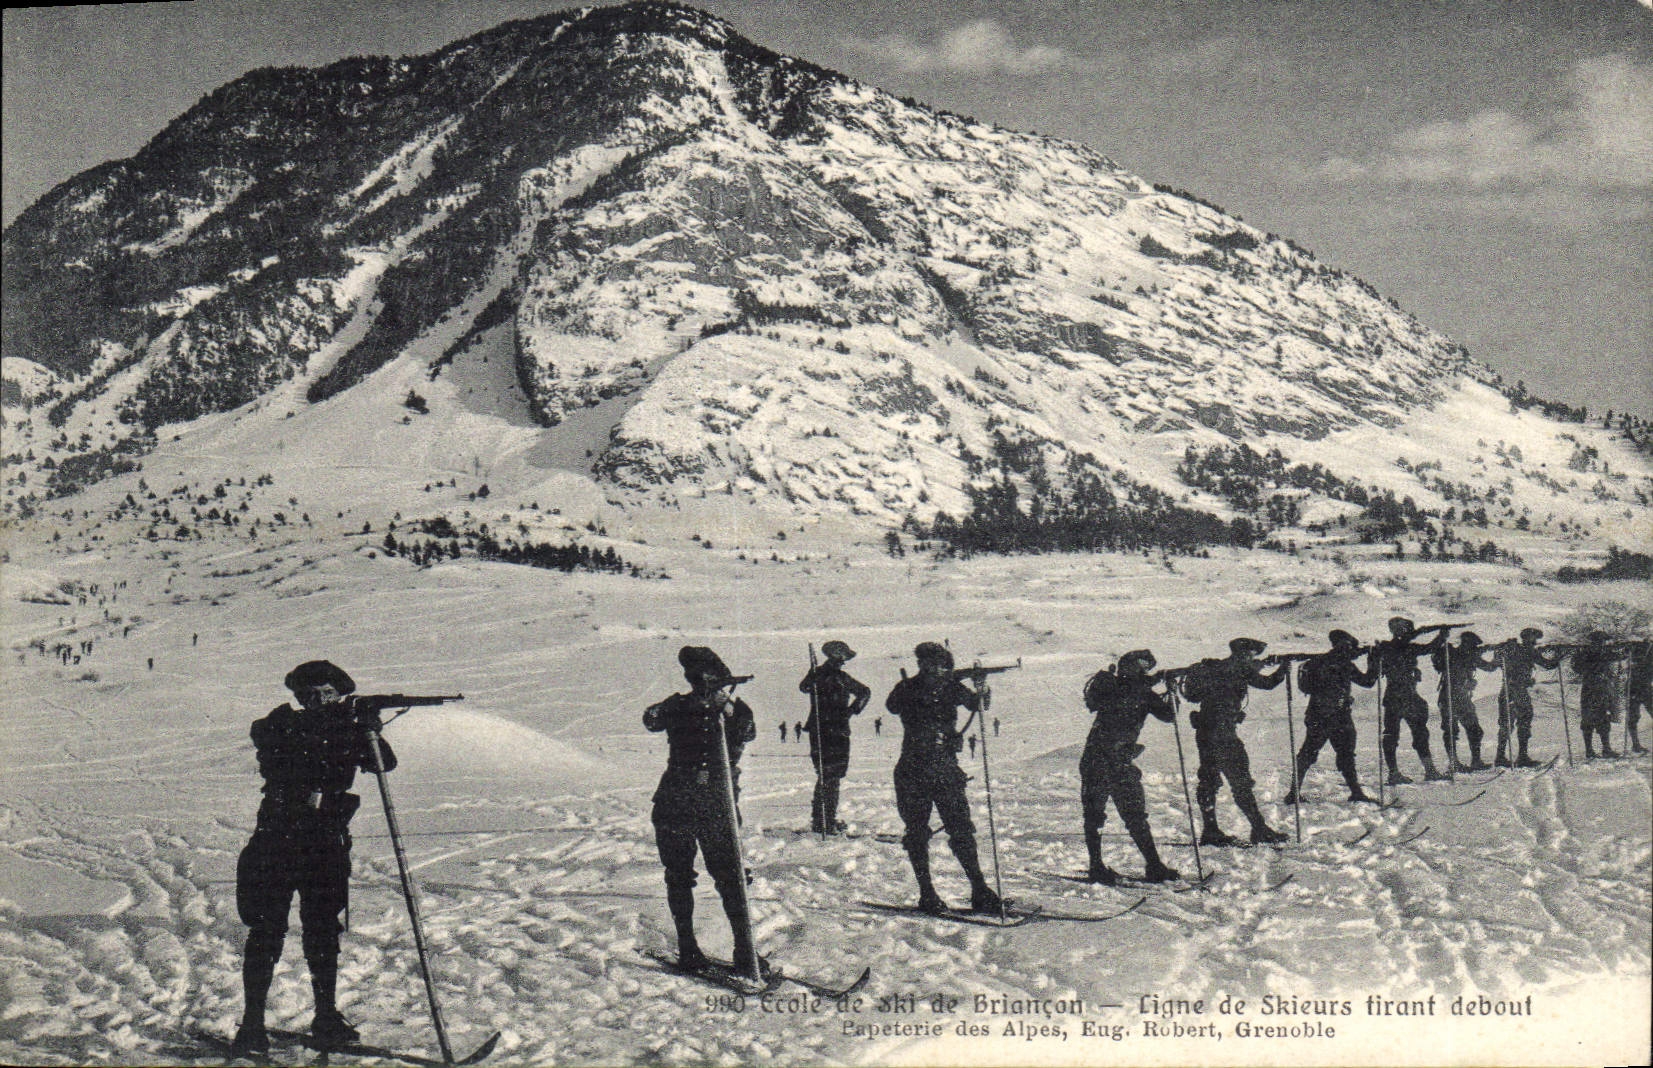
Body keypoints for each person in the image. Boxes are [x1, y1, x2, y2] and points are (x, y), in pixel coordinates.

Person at [233, 661, 395, 1054]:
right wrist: (345, 725)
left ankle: (325, 1016)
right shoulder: (279, 725)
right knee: (267, 930)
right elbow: (280, 749)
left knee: (322, 929)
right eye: (309, 694)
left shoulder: (349, 728)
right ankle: (252, 1024)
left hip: (323, 843)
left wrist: (369, 727)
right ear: (299, 697)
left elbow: (383, 763)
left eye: (326, 693)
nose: (318, 700)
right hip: (278, 841)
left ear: (338, 694)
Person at [644, 646, 760, 972]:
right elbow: (650, 720)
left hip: (717, 806)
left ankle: (744, 952)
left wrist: (727, 710)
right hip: (675, 803)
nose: (708, 691)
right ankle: (688, 948)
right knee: (679, 876)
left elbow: (747, 732)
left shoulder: (735, 711)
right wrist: (679, 705)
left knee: (731, 877)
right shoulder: (678, 706)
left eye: (714, 685)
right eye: (700, 683)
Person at [885, 642, 1004, 914]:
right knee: (917, 832)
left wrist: (981, 687)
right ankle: (927, 894)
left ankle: (980, 891)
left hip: (945, 768)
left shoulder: (951, 686)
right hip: (913, 768)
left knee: (962, 829)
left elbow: (977, 705)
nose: (938, 669)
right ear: (921, 664)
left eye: (943, 665)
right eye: (932, 664)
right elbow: (893, 707)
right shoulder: (906, 688)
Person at [1079, 650, 1180, 883]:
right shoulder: (1111, 685)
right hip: (1098, 759)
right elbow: (1113, 696)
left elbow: (1169, 715)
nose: (1144, 673)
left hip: (1121, 761)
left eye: (1146, 670)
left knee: (1135, 813)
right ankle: (1096, 867)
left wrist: (1172, 692)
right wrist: (1153, 681)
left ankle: (1154, 865)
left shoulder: (1143, 692)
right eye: (1140, 668)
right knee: (1095, 814)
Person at [1181, 638, 1289, 846]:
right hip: (1223, 734)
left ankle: (1211, 830)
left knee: (1209, 779)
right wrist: (1283, 669)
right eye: (1250, 655)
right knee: (1240, 780)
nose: (1252, 658)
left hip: (1205, 730)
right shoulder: (1241, 669)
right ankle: (1259, 829)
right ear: (1243, 654)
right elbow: (1267, 684)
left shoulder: (1215, 667)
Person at [1285, 630, 1378, 804]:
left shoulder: (1319, 661)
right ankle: (1356, 792)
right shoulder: (1345, 664)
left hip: (1318, 715)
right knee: (1344, 754)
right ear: (1344, 645)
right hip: (1338, 716)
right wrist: (1373, 661)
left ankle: (1293, 793)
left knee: (1309, 753)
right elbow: (1368, 682)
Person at [799, 640, 871, 834]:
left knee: (827, 775)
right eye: (842, 658)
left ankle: (822, 820)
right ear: (837, 657)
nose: (843, 662)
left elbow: (864, 692)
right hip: (832, 730)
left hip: (824, 729)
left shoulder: (823, 676)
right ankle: (825, 821)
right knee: (830, 775)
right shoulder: (837, 677)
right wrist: (850, 711)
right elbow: (865, 692)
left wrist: (850, 711)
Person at [1373, 618, 1449, 784]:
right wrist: (1441, 637)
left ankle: (1394, 773)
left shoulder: (1385, 648)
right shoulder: (1405, 647)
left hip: (1393, 696)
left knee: (1393, 735)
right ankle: (1429, 771)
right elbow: (1430, 648)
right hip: (1407, 696)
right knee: (1419, 733)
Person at [1432, 631, 1500, 771]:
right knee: (1452, 730)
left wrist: (1493, 652)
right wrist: (1497, 657)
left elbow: (1486, 664)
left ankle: (1471, 761)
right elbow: (1489, 667)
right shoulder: (1457, 654)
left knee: (1472, 730)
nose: (1475, 648)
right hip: (1451, 697)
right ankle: (1457, 763)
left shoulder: (1458, 653)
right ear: (1467, 644)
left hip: (1458, 697)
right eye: (1474, 645)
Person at [1494, 628, 1560, 767]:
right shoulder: (1528, 651)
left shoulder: (1510, 649)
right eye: (1533, 639)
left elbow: (1498, 662)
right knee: (1523, 721)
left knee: (1508, 723)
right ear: (1528, 639)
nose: (1535, 642)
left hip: (1508, 690)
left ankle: (1501, 756)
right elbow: (1548, 665)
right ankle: (1521, 757)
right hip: (1517, 691)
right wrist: (1558, 655)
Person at [1570, 633, 1620, 759]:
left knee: (1603, 717)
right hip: (1590, 689)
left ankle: (1605, 749)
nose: (1601, 644)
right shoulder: (1585, 654)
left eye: (1603, 642)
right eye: (1599, 642)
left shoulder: (1604, 653)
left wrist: (1627, 651)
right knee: (1588, 719)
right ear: (1593, 642)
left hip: (1601, 689)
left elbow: (1618, 656)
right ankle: (1590, 750)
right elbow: (1576, 667)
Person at [1626, 639, 1650, 755]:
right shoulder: (1631, 647)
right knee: (1633, 716)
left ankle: (1636, 744)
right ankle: (1635, 744)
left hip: (1646, 687)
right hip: (1633, 688)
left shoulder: (1650, 650)